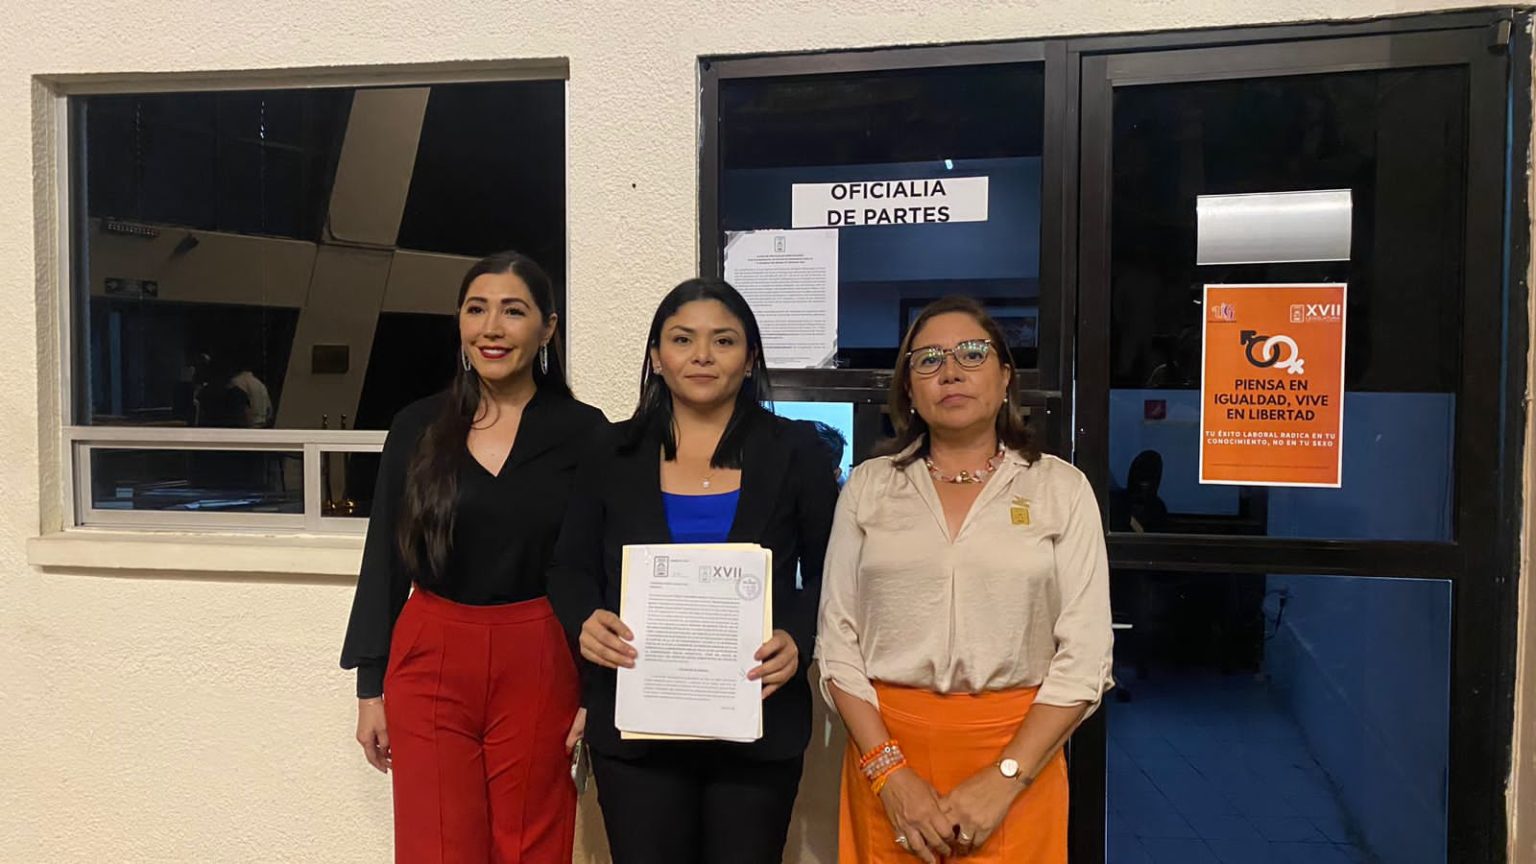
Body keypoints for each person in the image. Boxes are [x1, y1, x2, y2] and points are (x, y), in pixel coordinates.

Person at [547, 278, 839, 864]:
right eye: (683, 339)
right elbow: (570, 567)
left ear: (750, 358)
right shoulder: (610, 451)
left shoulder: (797, 450)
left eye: (723, 341)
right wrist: (586, 621)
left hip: (757, 721)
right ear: (657, 357)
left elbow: (831, 572)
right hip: (638, 726)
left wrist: (799, 637)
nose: (702, 355)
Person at [817, 296, 1113, 864]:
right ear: (908, 389)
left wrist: (1004, 779)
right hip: (887, 758)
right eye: (928, 360)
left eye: (972, 354)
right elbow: (836, 643)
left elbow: (1087, 656)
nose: (950, 371)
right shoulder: (870, 487)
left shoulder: (1060, 489)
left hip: (1020, 757)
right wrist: (890, 775)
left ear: (1005, 377)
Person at [340, 251, 604, 863]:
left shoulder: (586, 432)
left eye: (513, 311)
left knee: (531, 844)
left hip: (541, 651)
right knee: (437, 844)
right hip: (431, 652)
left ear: (547, 328)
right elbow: (385, 559)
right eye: (476, 309)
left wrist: (598, 691)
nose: (491, 328)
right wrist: (369, 688)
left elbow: (598, 566)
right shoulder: (417, 426)